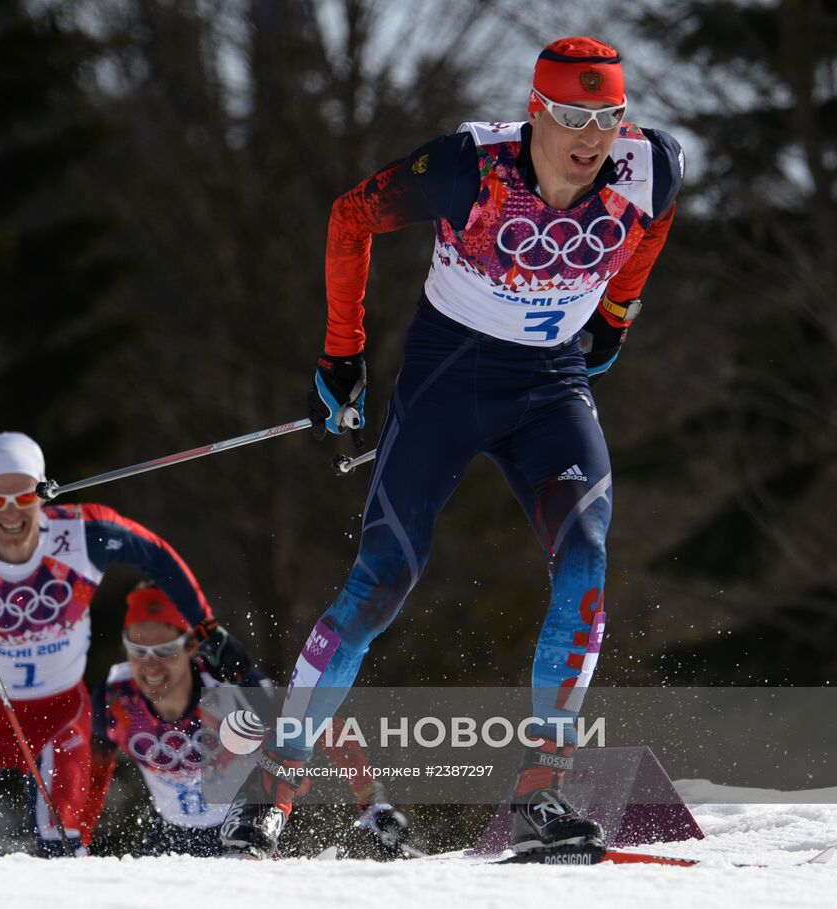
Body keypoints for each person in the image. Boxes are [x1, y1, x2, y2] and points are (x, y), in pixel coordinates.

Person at [220, 36, 684, 859]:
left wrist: (615, 315)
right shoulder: (470, 165)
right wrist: (341, 353)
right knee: (381, 583)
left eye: (607, 117)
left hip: (551, 388)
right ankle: (274, 790)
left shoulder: (653, 167)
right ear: (536, 110)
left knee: (585, 558)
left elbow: (650, 234)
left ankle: (542, 794)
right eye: (572, 116)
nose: (590, 137)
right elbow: (350, 215)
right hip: (447, 383)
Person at [0, 432, 215, 856]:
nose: (9, 514)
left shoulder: (82, 533)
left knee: (64, 849)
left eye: (22, 498)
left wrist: (207, 631)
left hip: (58, 715)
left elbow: (157, 554)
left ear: (41, 492)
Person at [82, 584, 410, 857]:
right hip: (170, 835)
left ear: (191, 646)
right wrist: (77, 839)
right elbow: (93, 779)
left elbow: (317, 720)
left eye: (164, 649)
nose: (150, 666)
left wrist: (370, 798)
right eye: (138, 651)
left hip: (239, 828)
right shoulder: (114, 699)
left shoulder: (229, 690)